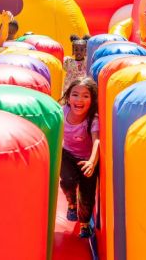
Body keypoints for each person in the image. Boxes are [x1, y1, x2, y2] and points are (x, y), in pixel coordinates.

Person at [59, 77, 100, 238]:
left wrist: (92, 162)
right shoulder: (62, 112)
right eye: (75, 94)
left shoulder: (92, 118)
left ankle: (84, 223)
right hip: (67, 154)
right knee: (68, 180)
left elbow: (97, 140)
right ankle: (71, 204)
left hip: (87, 159)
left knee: (87, 193)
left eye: (85, 96)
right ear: (68, 97)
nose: (79, 99)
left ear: (92, 100)